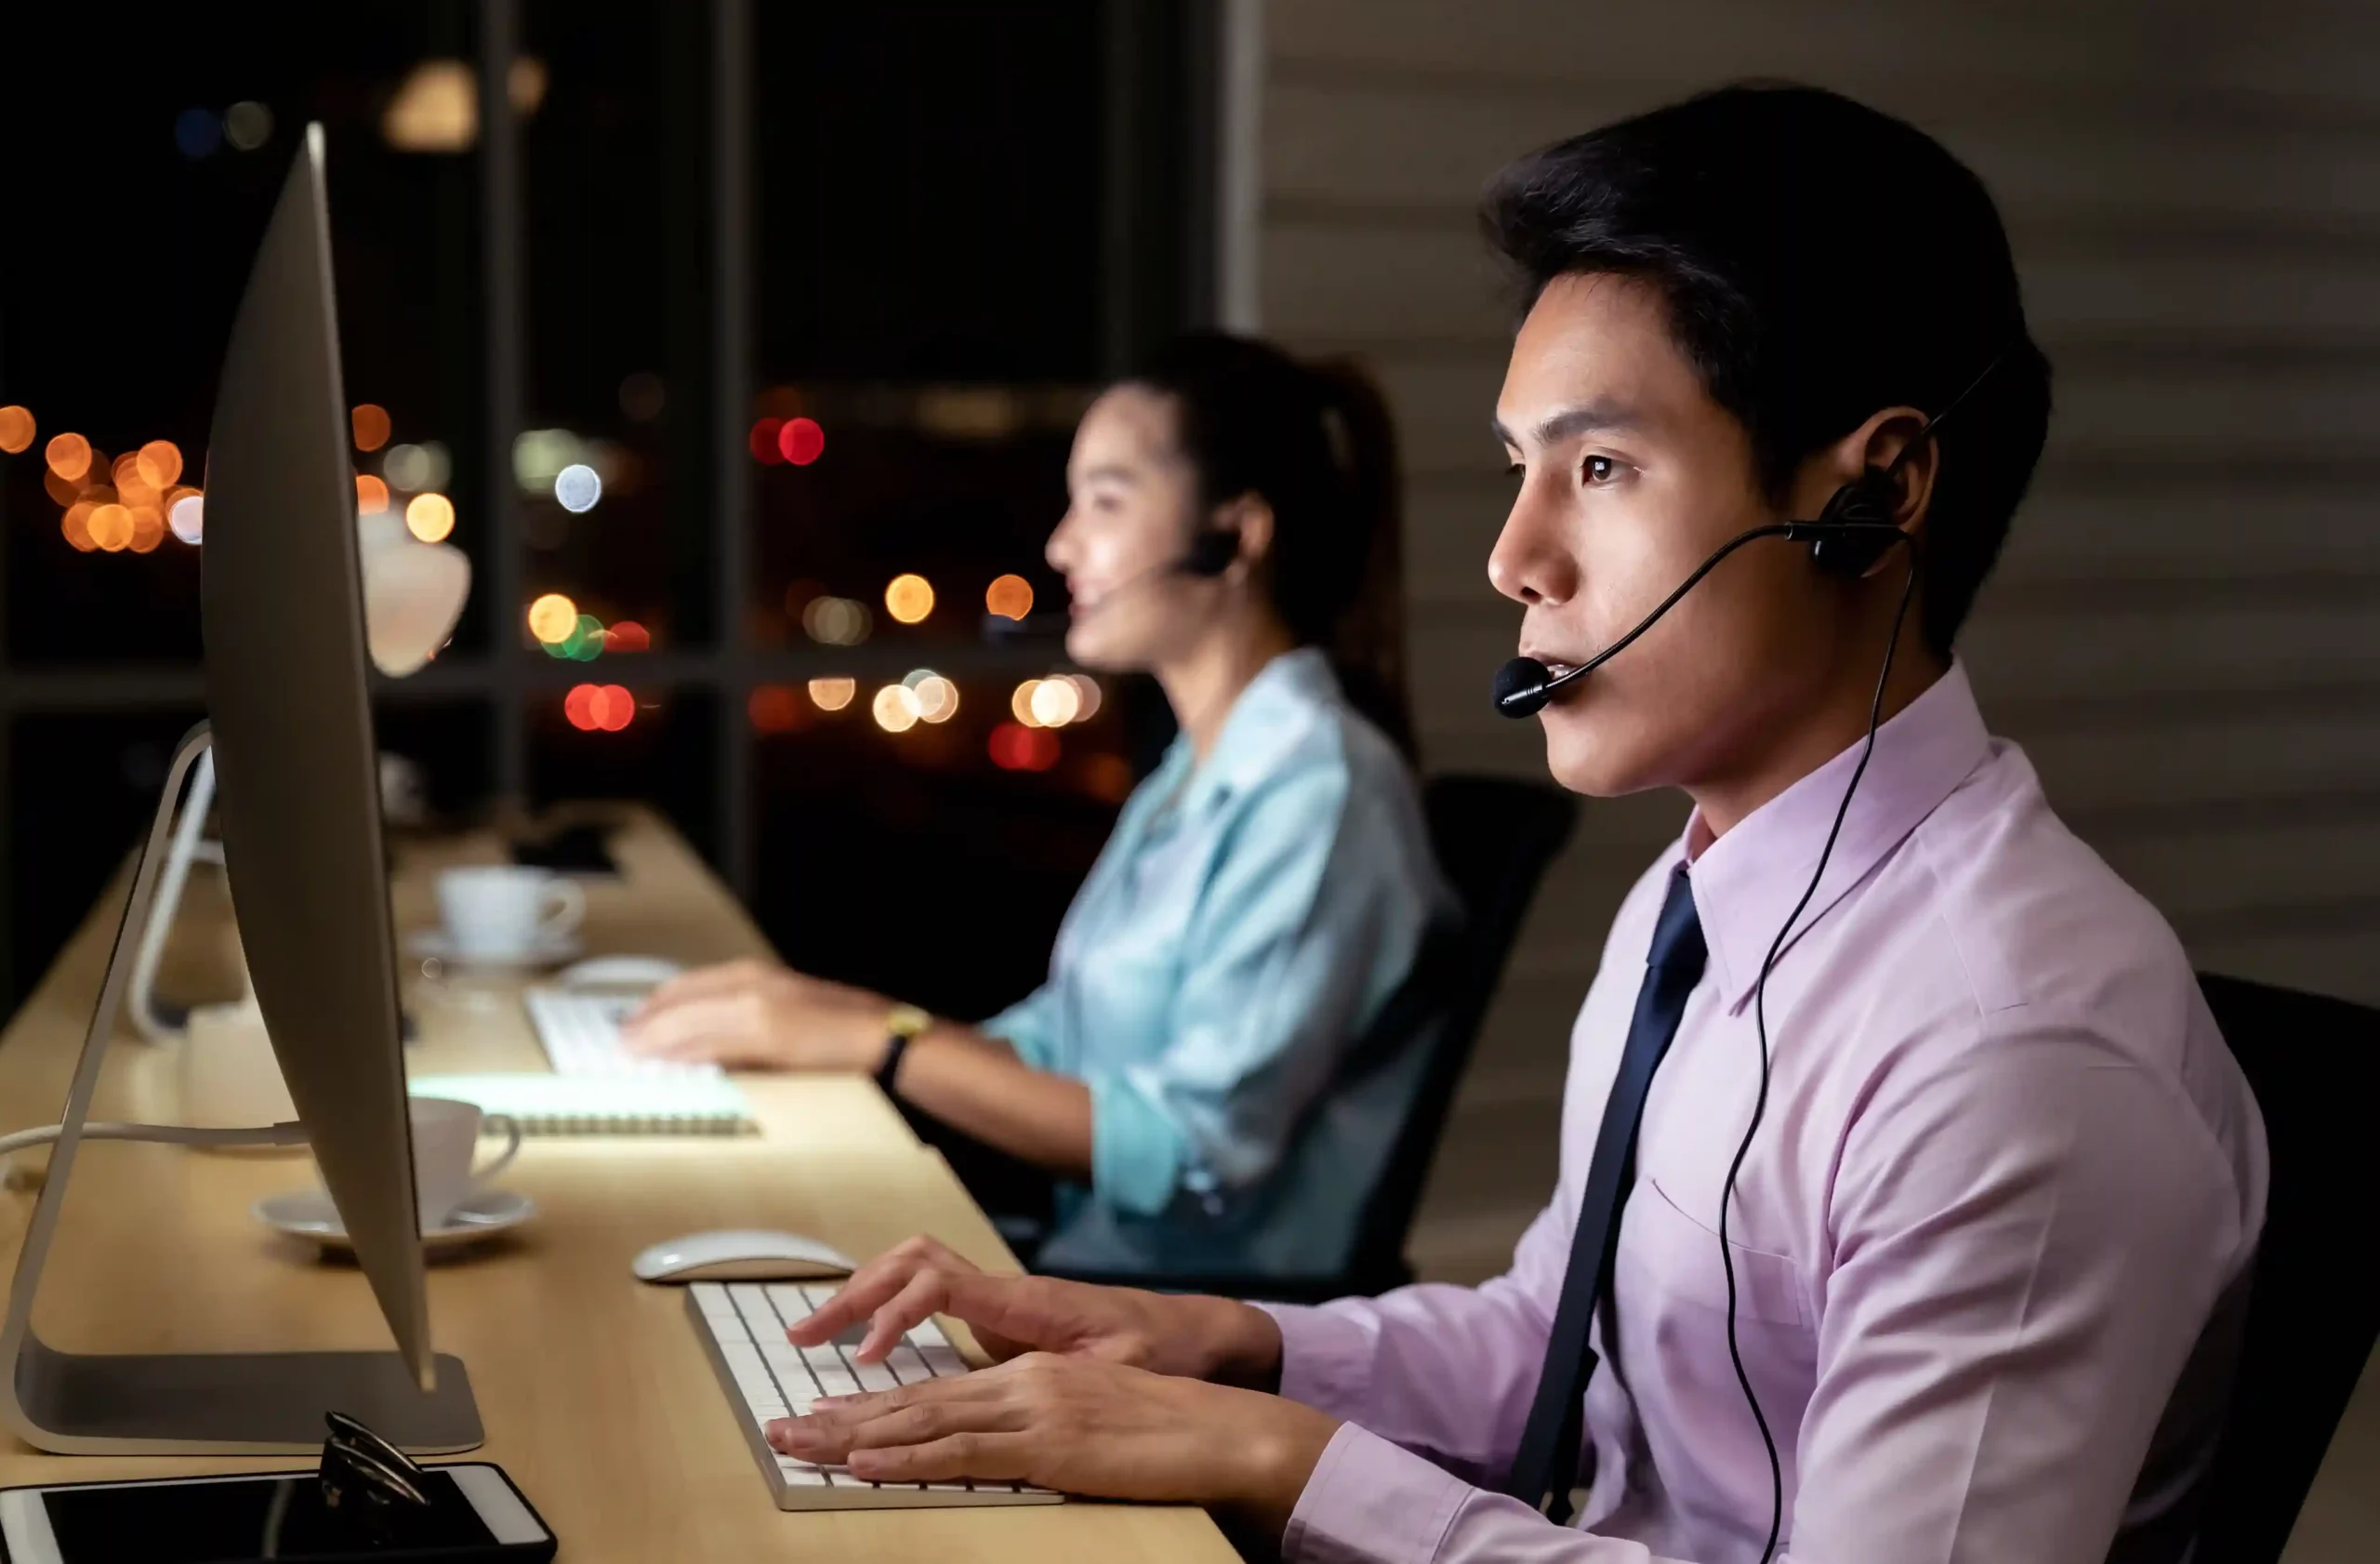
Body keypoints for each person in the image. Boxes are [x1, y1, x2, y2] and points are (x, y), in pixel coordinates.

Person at [750, 85, 2268, 1564]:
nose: (1511, 557)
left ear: (1873, 499)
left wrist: (1278, 1460)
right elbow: (1559, 1344)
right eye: (1517, 468)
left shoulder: (2010, 1054)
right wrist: (1209, 1343)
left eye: (1599, 467)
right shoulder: (1697, 903)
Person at [627, 332, 1454, 1279]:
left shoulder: (1318, 789)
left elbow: (1189, 1150)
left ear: (1235, 533)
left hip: (1183, 1323)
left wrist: (878, 1041)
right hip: (1086, 1272)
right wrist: (828, 1015)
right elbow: (1058, 1039)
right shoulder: (1195, 769)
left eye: (1105, 500)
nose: (1062, 543)